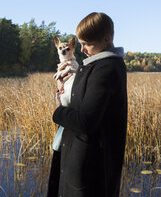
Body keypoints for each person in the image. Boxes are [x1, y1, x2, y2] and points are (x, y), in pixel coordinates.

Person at [47, 12, 128, 197]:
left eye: (86, 44)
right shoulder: (93, 66)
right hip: (80, 166)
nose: (81, 49)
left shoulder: (106, 68)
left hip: (90, 173)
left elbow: (85, 121)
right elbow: (79, 104)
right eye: (81, 43)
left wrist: (58, 111)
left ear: (106, 39)